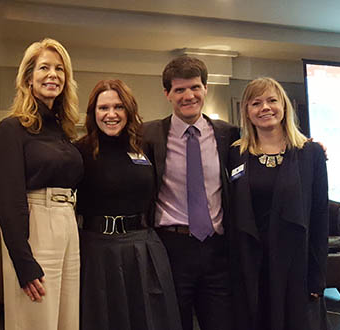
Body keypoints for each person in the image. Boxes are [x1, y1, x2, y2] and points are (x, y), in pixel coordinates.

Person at [141, 56, 239, 330]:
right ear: (167, 94)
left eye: (195, 87)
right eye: (180, 90)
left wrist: (307, 148)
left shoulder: (229, 135)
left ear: (205, 88)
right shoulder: (148, 134)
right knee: (172, 323)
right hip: (171, 249)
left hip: (217, 249)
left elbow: (269, 144)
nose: (189, 96)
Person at [75, 79, 182, 330]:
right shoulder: (79, 152)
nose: (111, 114)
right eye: (103, 108)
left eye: (119, 107)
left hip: (143, 248)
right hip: (97, 251)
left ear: (129, 110)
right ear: (93, 113)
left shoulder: (143, 147)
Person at [0, 38, 82, 330]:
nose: (53, 74)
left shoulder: (64, 132)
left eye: (59, 69)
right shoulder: (12, 128)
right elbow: (8, 201)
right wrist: (23, 260)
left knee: (67, 321)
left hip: (68, 225)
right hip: (35, 229)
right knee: (36, 320)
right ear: (28, 78)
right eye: (44, 67)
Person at [228, 77, 329, 330]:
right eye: (256, 103)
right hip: (251, 264)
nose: (265, 108)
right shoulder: (235, 153)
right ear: (247, 112)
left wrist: (317, 277)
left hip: (295, 264)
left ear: (284, 106)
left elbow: (319, 217)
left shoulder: (311, 153)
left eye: (272, 100)